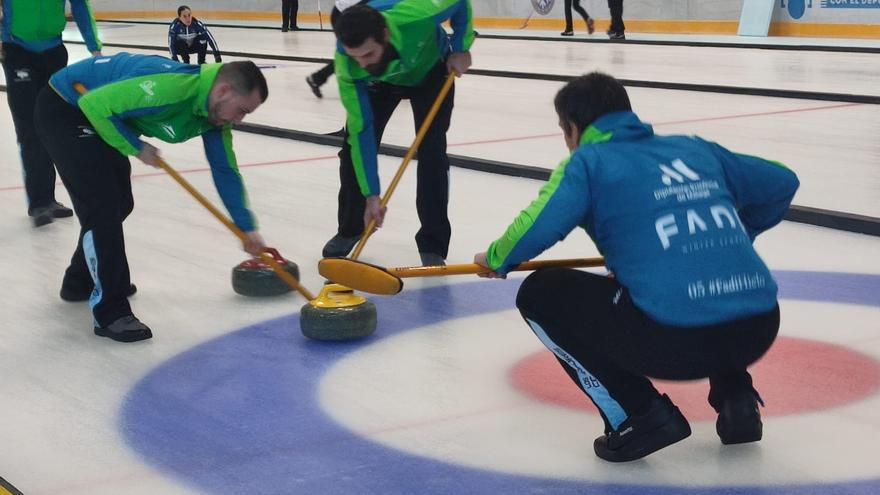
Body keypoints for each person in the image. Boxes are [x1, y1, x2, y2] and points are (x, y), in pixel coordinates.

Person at [474, 72, 799, 462]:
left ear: (574, 129)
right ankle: (737, 398)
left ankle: (638, 414)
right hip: (758, 327)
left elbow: (539, 225)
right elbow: (782, 182)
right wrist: (741, 234)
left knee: (540, 293)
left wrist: (496, 258)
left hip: (676, 341)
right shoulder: (694, 149)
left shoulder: (589, 163)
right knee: (700, 277)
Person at [34, 53, 269, 343]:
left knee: (121, 201)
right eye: (242, 110)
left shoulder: (214, 117)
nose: (239, 119)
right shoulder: (173, 88)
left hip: (104, 116)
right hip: (67, 106)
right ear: (222, 91)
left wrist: (245, 227)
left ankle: (79, 281)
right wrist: (135, 146)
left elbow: (225, 170)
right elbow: (93, 104)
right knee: (102, 207)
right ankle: (111, 311)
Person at [322, 1, 475, 267]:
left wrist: (461, 47)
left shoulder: (419, 13)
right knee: (350, 148)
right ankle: (351, 228)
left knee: (432, 153)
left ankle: (433, 242)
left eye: (368, 54)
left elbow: (460, 2)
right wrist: (372, 195)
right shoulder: (349, 63)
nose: (362, 63)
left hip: (431, 72)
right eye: (356, 57)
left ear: (384, 34)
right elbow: (362, 132)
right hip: (380, 84)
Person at [1, 0, 102, 227]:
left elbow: (80, 5)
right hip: (17, 49)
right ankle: (39, 202)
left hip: (54, 52)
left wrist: (94, 46)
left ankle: (49, 199)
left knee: (55, 126)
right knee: (29, 129)